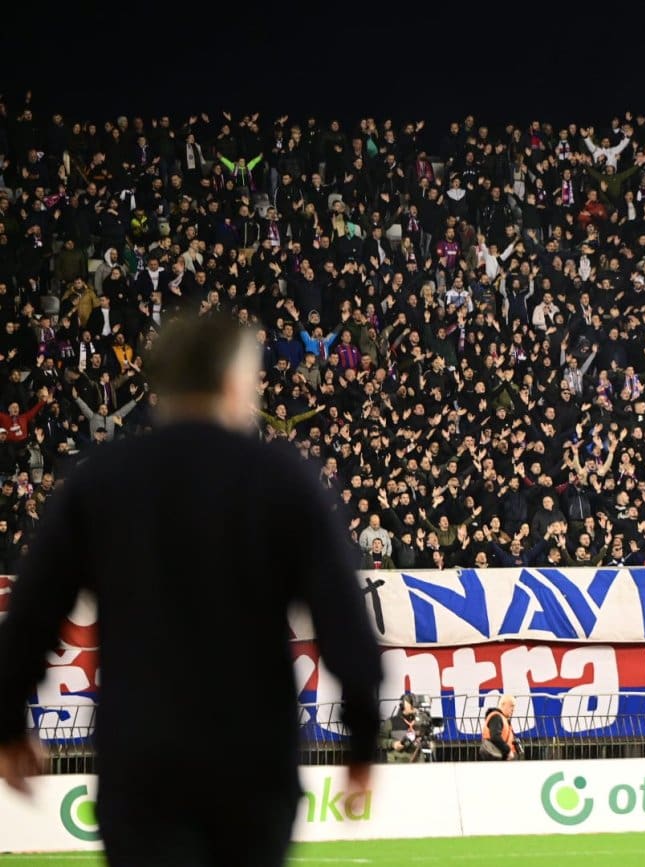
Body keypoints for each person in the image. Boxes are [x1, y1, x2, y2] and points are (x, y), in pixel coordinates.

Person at [0, 315, 382, 866]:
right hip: (253, 763)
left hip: (142, 761)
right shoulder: (281, 479)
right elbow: (343, 619)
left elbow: (31, 615)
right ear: (234, 382)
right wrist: (363, 741)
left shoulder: (101, 480)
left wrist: (10, 723)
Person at [380, 693, 434, 763]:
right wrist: (393, 744)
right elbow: (379, 740)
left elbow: (428, 737)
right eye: (411, 703)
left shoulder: (421, 720)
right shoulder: (391, 722)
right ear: (403, 705)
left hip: (417, 761)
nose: (414, 706)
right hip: (398, 762)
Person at [480, 695, 520, 761]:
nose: (513, 709)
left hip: (500, 756)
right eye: (512, 706)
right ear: (503, 704)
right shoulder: (496, 717)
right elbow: (495, 737)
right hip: (495, 756)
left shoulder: (502, 719)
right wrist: (508, 751)